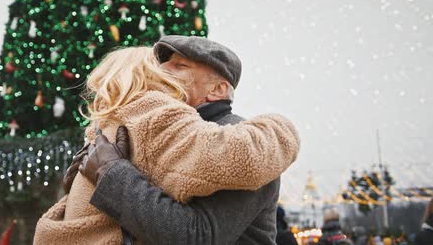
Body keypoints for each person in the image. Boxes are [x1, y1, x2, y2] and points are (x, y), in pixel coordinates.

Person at [34, 40, 300, 244]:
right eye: (164, 63)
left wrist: (112, 174)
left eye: (180, 66)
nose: (162, 69)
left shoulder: (236, 139)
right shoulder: (157, 131)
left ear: (217, 90)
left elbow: (196, 237)